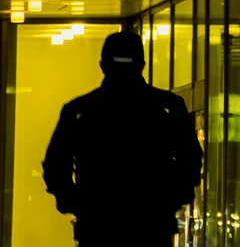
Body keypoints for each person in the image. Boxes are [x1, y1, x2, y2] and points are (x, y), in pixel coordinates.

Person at [42, 30, 203, 247]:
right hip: (151, 225)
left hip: (98, 227)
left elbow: (55, 166)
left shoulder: (79, 110)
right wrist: (169, 201)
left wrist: (78, 203)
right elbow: (190, 160)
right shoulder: (168, 107)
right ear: (142, 65)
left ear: (102, 66)